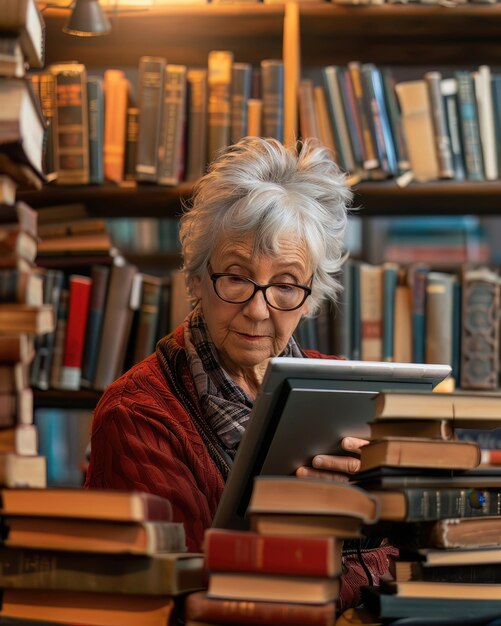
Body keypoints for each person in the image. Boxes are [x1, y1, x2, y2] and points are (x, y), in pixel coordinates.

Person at [85, 136, 396, 609]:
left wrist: (371, 500)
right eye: (236, 276)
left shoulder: (348, 391)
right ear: (195, 277)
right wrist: (324, 540)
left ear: (310, 297)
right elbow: (192, 598)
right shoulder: (137, 416)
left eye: (286, 285)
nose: (257, 310)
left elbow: (415, 552)